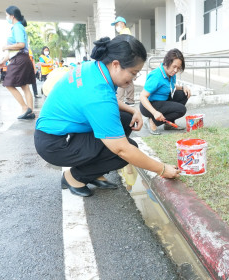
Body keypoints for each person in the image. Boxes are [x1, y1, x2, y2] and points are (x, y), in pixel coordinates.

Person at [34, 35, 180, 197]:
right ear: (116, 65)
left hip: (62, 132)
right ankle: (74, 177)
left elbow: (107, 101)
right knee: (123, 152)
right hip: (56, 145)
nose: (133, 79)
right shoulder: (98, 95)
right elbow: (122, 149)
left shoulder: (94, 68)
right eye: (133, 73)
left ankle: (93, 170)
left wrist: (134, 110)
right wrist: (162, 169)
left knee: (125, 119)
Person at [139, 48, 191, 135]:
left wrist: (183, 87)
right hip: (150, 105)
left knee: (184, 94)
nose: (175, 70)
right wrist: (155, 112)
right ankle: (152, 121)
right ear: (167, 62)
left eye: (178, 68)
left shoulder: (171, 74)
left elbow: (170, 86)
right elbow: (142, 96)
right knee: (181, 110)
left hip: (163, 101)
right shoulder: (156, 76)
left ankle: (168, 124)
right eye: (174, 67)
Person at [0, 5, 36, 120]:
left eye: (6, 15)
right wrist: (4, 61)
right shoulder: (17, 27)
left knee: (8, 84)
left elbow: (21, 45)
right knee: (24, 86)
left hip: (19, 59)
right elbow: (13, 50)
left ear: (12, 16)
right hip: (22, 58)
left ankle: (25, 108)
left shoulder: (17, 27)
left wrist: (6, 47)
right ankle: (30, 112)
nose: (6, 17)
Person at [111, 16, 135, 106]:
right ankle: (130, 100)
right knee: (128, 79)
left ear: (122, 23)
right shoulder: (125, 33)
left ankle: (120, 101)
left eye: (117, 24)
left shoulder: (125, 33)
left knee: (121, 78)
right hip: (128, 59)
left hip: (125, 59)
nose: (116, 26)